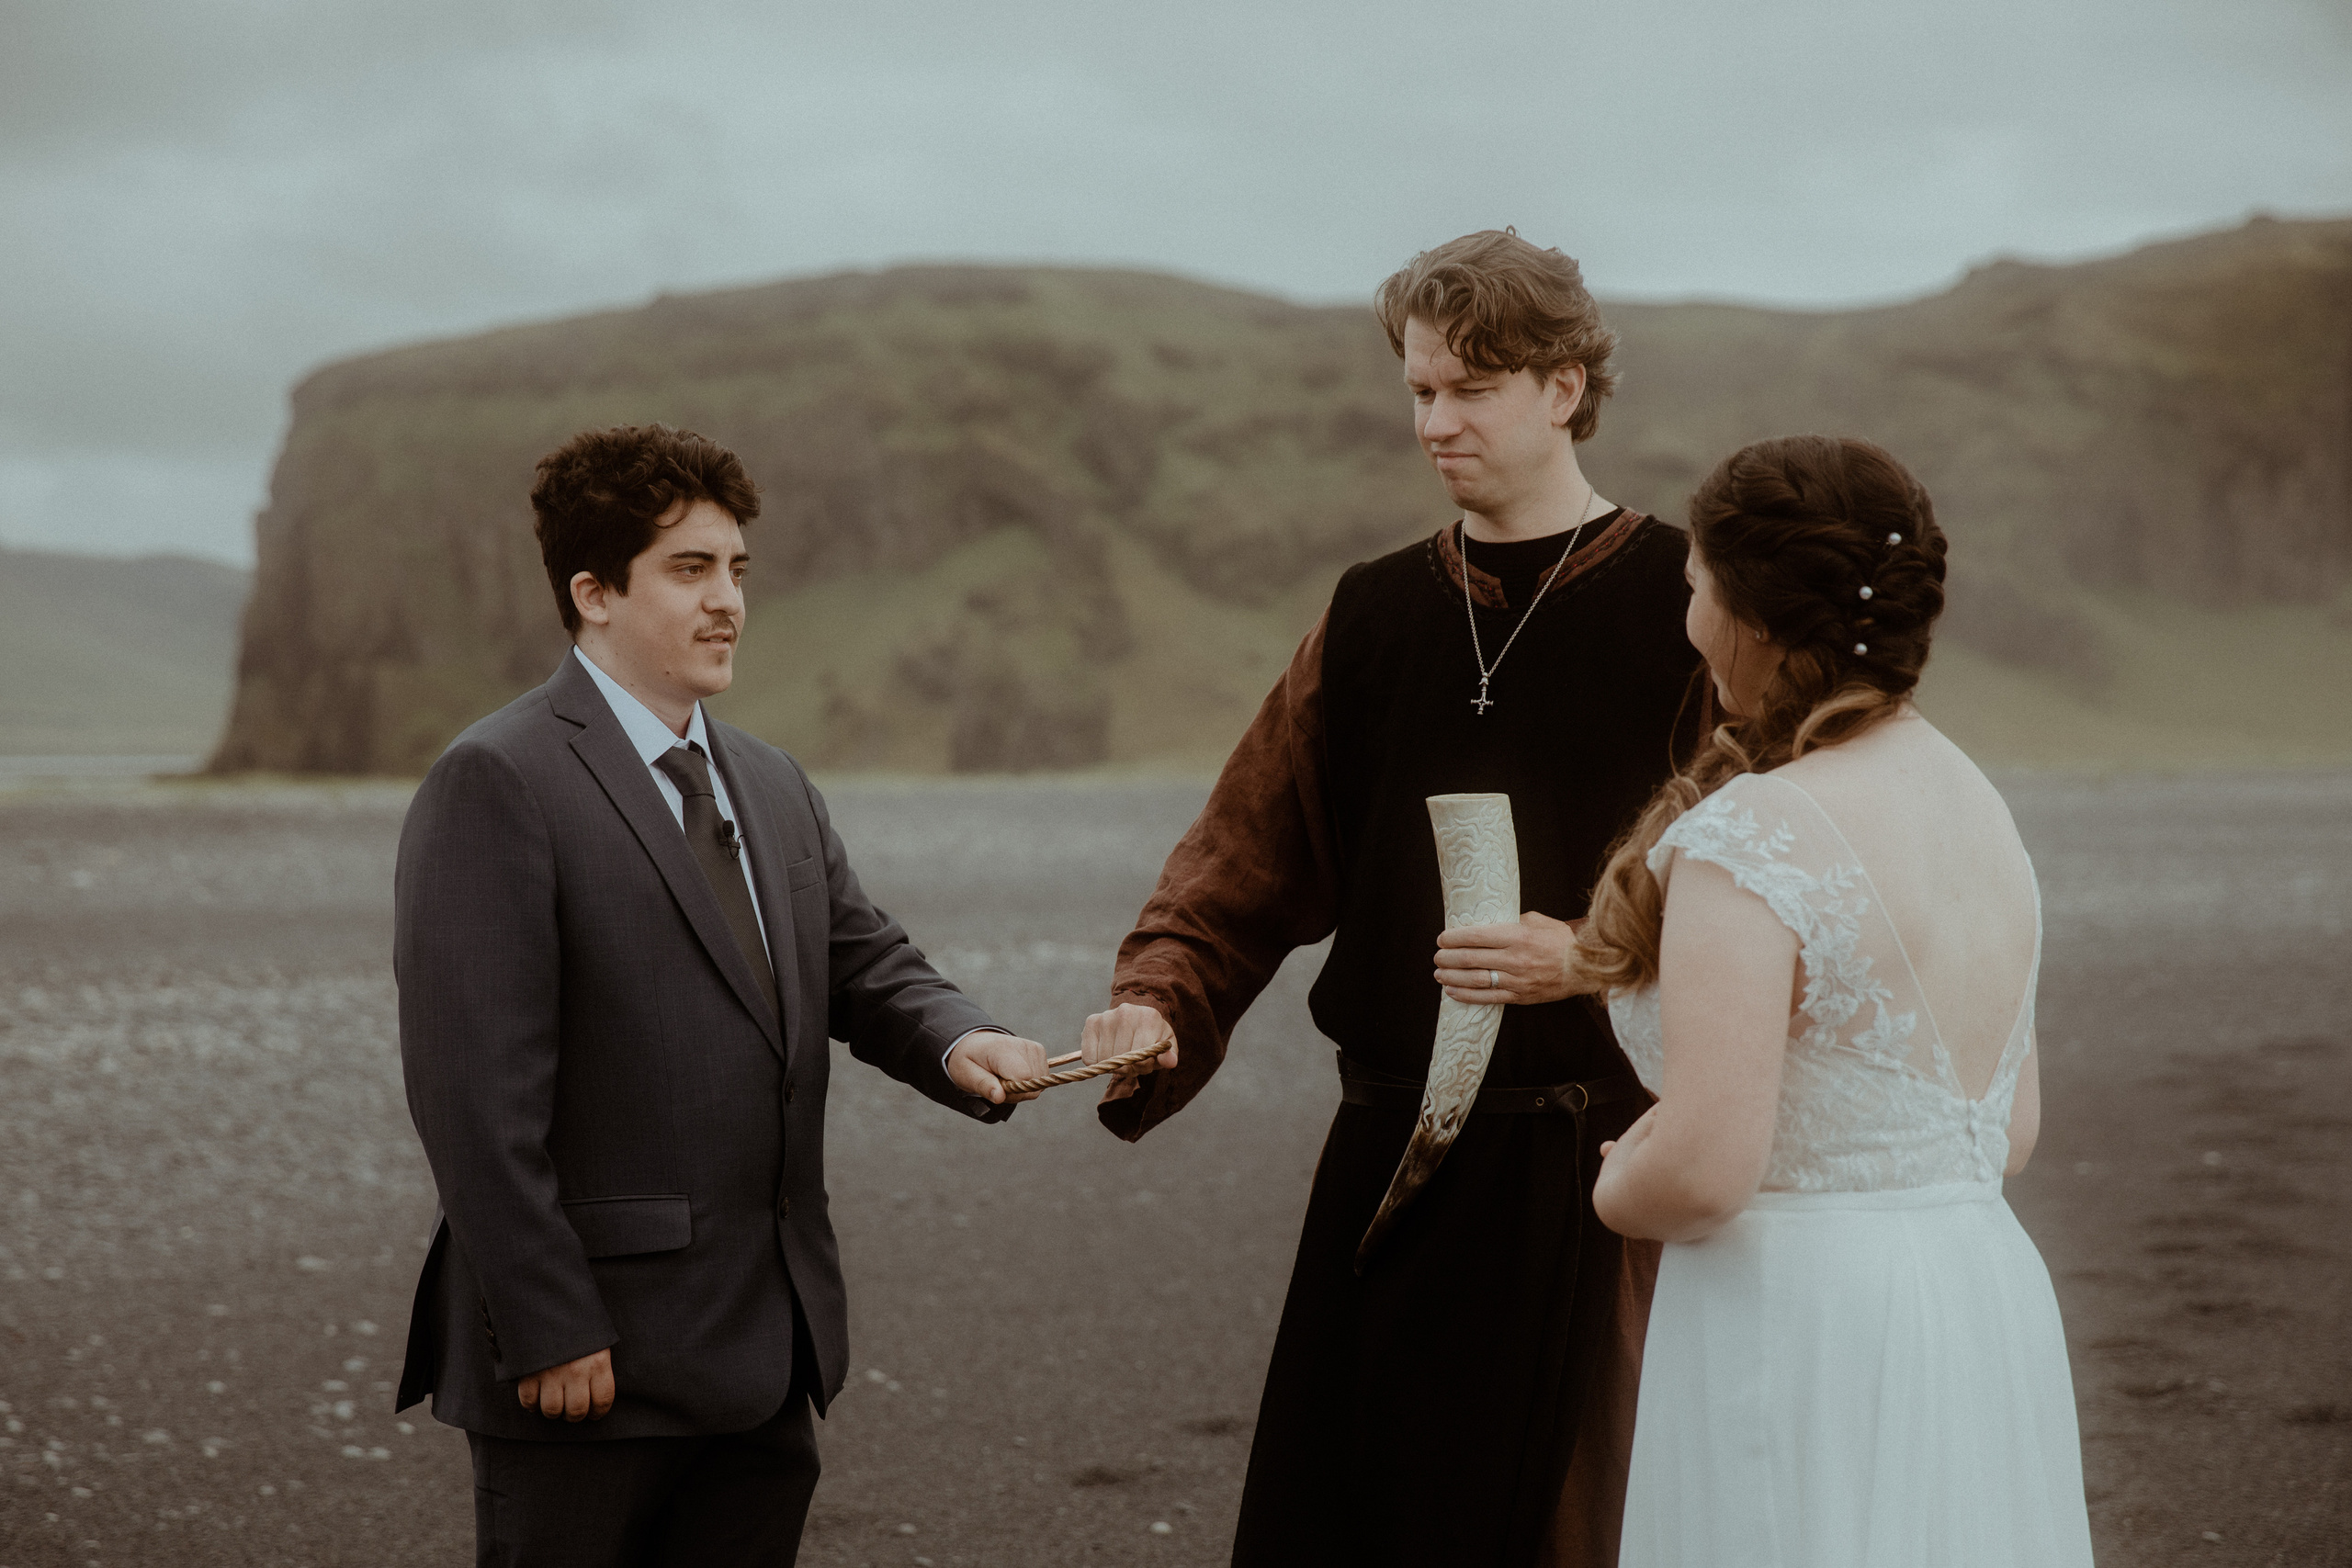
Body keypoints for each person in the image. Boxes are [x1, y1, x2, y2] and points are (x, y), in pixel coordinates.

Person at [1077, 230, 1708, 1565]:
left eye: (1472, 386)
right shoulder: (1371, 613)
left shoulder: (1686, 601)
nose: (1436, 420)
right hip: (1394, 1172)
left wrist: (1599, 956)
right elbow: (1245, 853)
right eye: (1420, 388)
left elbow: (1776, 879)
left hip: (1598, 1173)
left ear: (1567, 383)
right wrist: (1157, 1002)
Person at [390, 423, 1050, 1567]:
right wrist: (549, 1326)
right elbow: (472, 1099)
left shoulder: (769, 779)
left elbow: (859, 959)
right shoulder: (497, 780)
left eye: (736, 570)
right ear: (593, 593)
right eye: (689, 570)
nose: (727, 601)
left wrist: (962, 1040)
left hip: (764, 1355)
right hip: (586, 1369)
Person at [1577, 434, 2097, 1566]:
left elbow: (1707, 1174)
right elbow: (2007, 1134)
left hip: (1797, 1321)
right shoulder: (1976, 805)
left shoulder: (1754, 837)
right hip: (1979, 1295)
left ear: (1752, 615)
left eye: (1695, 585)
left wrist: (1621, 1175)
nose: (1687, 616)